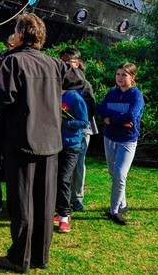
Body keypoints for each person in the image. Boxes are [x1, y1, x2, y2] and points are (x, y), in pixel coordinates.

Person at [0, 13, 84, 273]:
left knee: (22, 203)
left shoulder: (12, 62)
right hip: (50, 143)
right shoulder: (53, 63)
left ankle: (20, 259)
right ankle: (40, 256)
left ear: (20, 35)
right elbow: (79, 79)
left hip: (22, 140)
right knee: (43, 202)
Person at [97, 62, 144, 226]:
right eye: (118, 74)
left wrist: (111, 119)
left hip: (127, 141)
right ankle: (122, 204)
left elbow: (131, 115)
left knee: (119, 174)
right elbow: (101, 108)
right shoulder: (112, 93)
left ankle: (114, 211)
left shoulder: (136, 95)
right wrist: (119, 116)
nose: (120, 78)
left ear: (132, 77)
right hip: (109, 137)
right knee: (112, 172)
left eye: (124, 75)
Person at [60, 48, 98, 212]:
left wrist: (72, 120)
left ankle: (77, 198)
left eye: (70, 63)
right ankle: (62, 198)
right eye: (64, 63)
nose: (68, 66)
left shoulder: (83, 83)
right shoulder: (60, 81)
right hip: (62, 130)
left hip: (80, 129)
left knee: (78, 164)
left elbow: (91, 107)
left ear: (78, 63)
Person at [54, 88, 88, 233]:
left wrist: (64, 122)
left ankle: (64, 216)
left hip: (71, 146)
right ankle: (55, 211)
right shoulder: (51, 92)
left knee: (63, 179)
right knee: (52, 179)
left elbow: (83, 122)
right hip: (52, 144)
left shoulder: (75, 98)